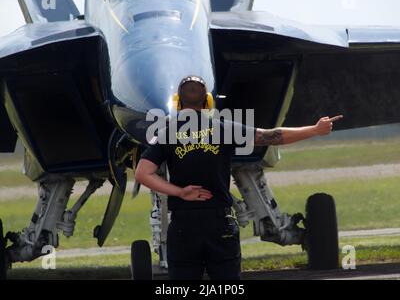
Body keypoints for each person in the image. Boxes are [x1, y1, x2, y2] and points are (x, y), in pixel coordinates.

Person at [135, 76, 343, 280]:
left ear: (178, 103)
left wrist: (180, 192)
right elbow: (272, 136)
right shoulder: (223, 128)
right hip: (219, 224)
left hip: (183, 226)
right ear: (208, 101)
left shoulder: (166, 133)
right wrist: (315, 130)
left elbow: (143, 173)